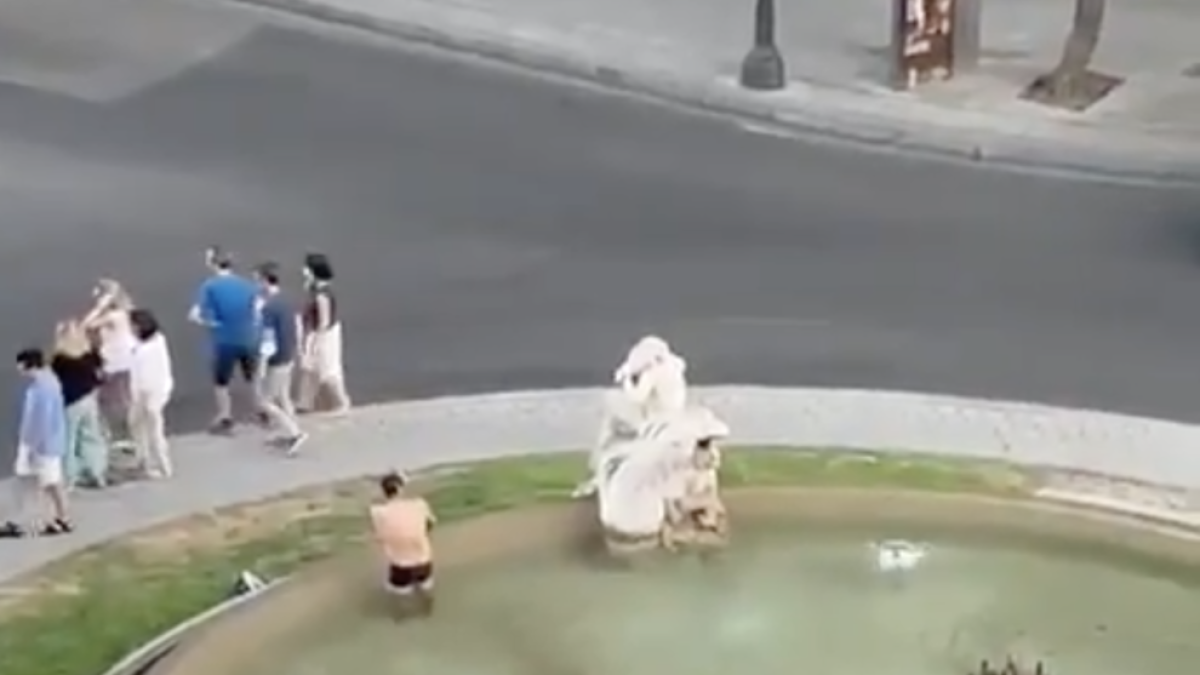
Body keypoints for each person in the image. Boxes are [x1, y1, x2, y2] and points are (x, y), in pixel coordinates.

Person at [189, 247, 260, 434]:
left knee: (221, 382)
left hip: (224, 341)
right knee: (252, 377)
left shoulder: (209, 286)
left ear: (213, 263)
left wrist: (209, 322)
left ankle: (225, 416)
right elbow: (257, 310)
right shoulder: (247, 285)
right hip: (248, 338)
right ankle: (263, 410)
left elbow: (196, 315)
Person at [10, 348, 72, 535]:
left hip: (41, 444)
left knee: (39, 482)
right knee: (49, 482)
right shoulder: (47, 382)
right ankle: (58, 518)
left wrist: (34, 447)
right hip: (46, 443)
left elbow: (42, 420)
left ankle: (26, 522)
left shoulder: (43, 387)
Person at [254, 262, 306, 455]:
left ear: (264, 280)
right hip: (289, 354)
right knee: (284, 396)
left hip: (278, 359)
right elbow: (298, 325)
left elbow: (268, 339)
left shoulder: (269, 307)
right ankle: (291, 431)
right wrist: (298, 348)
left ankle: (296, 433)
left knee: (265, 401)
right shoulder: (288, 300)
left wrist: (262, 364)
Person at [50, 321, 109, 489]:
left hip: (71, 402)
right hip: (89, 400)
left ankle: (69, 478)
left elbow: (54, 379)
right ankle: (97, 472)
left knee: (69, 440)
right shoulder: (88, 353)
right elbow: (100, 370)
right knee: (92, 436)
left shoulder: (60, 358)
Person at [370, 472, 435, 616]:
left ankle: (401, 618)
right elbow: (429, 525)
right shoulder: (420, 504)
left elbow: (378, 535)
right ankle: (427, 612)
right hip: (423, 559)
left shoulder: (378, 512)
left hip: (399, 564)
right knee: (426, 589)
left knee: (400, 596)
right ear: (401, 488)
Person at [82, 279, 137, 451]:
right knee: (125, 396)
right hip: (128, 358)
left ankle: (121, 436)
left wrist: (99, 308)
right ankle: (132, 434)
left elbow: (86, 325)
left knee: (113, 399)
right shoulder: (127, 311)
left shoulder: (112, 317)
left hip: (115, 362)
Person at [297, 253, 351, 414]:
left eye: (306, 268)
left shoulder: (322, 295)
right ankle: (304, 403)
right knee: (309, 368)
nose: (303, 271)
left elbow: (324, 322)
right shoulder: (316, 289)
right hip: (317, 332)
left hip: (324, 336)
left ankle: (342, 402)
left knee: (327, 371)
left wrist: (315, 344)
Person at [129, 309, 175, 478]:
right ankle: (144, 460)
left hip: (150, 394)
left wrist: (145, 401)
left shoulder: (144, 351)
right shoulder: (158, 340)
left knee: (153, 430)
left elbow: (145, 378)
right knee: (137, 424)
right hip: (151, 392)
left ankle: (163, 466)